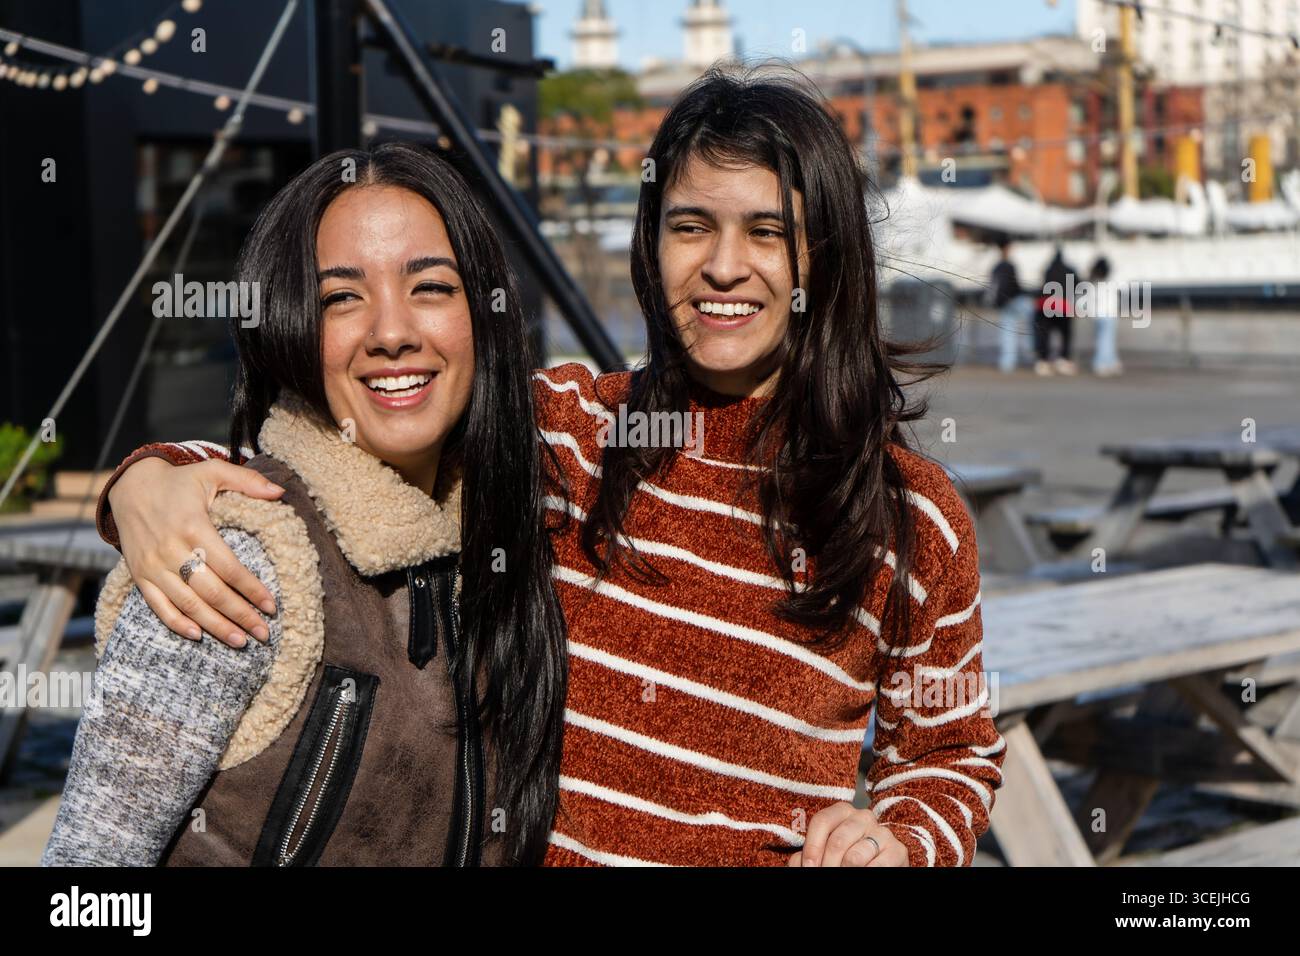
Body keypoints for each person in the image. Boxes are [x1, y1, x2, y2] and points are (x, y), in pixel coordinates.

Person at [88, 68, 1005, 867]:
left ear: (825, 257)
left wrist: (901, 838)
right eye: (691, 226)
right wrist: (149, 477)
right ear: (651, 245)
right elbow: (353, 437)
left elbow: (952, 751)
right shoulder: (567, 432)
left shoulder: (913, 517)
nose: (725, 267)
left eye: (768, 232)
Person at [42, 144, 569, 866]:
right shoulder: (238, 563)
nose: (392, 333)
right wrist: (142, 480)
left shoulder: (508, 536)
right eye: (341, 297)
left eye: (431, 288)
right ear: (292, 324)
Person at [990, 238, 1032, 373]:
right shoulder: (1009, 265)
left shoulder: (996, 266)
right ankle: (1035, 353)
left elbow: (993, 287)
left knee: (1007, 333)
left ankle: (1007, 363)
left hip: (1003, 302)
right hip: (1014, 300)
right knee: (1034, 322)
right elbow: (1015, 285)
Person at [1035, 246, 1077, 376]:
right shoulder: (1070, 270)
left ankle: (1044, 361)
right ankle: (1062, 359)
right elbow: (1077, 285)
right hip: (1063, 306)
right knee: (1065, 335)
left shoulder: (1048, 269)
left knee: (1044, 335)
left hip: (1046, 305)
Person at [1089, 255, 1123, 376]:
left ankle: (1111, 361)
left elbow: (1090, 300)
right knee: (1106, 340)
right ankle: (1100, 362)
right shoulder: (1111, 282)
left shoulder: (1093, 283)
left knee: (1104, 339)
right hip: (1109, 314)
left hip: (1098, 315)